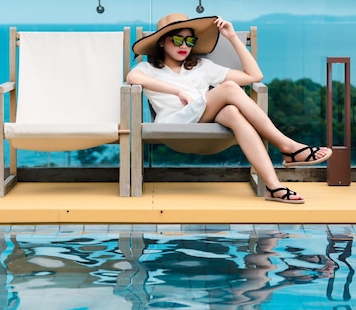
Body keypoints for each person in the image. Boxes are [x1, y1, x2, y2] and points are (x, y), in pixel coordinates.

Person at [127, 13, 332, 204]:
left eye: (190, 41)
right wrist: (176, 91)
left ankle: (274, 186)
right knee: (230, 88)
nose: (184, 46)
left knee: (233, 112)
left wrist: (232, 37)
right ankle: (288, 147)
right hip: (173, 122)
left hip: (202, 115)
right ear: (162, 41)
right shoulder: (148, 69)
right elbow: (132, 78)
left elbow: (254, 76)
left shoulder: (201, 66)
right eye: (178, 40)